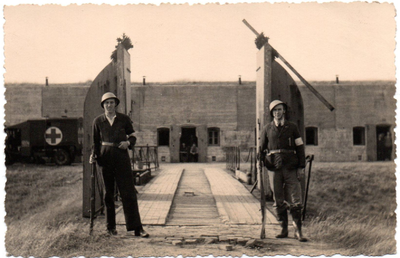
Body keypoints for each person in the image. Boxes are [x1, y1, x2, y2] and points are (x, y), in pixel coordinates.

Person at [90, 92, 149, 237]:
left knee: (128, 192)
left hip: (121, 158)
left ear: (116, 104)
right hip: (105, 159)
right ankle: (110, 228)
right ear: (103, 105)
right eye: (106, 103)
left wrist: (128, 143)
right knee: (108, 194)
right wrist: (94, 155)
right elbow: (95, 142)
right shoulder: (98, 121)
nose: (109, 105)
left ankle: (137, 228)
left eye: (112, 102)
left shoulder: (123, 119)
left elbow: (133, 135)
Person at [260, 100, 307, 242]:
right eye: (274, 111)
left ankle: (298, 231)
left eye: (279, 110)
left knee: (295, 197)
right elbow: (262, 148)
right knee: (278, 199)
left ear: (284, 111)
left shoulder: (292, 127)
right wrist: (260, 159)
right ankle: (283, 229)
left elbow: (299, 147)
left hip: (291, 166)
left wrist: (300, 166)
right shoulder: (267, 129)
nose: (277, 113)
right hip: (274, 167)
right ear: (271, 113)